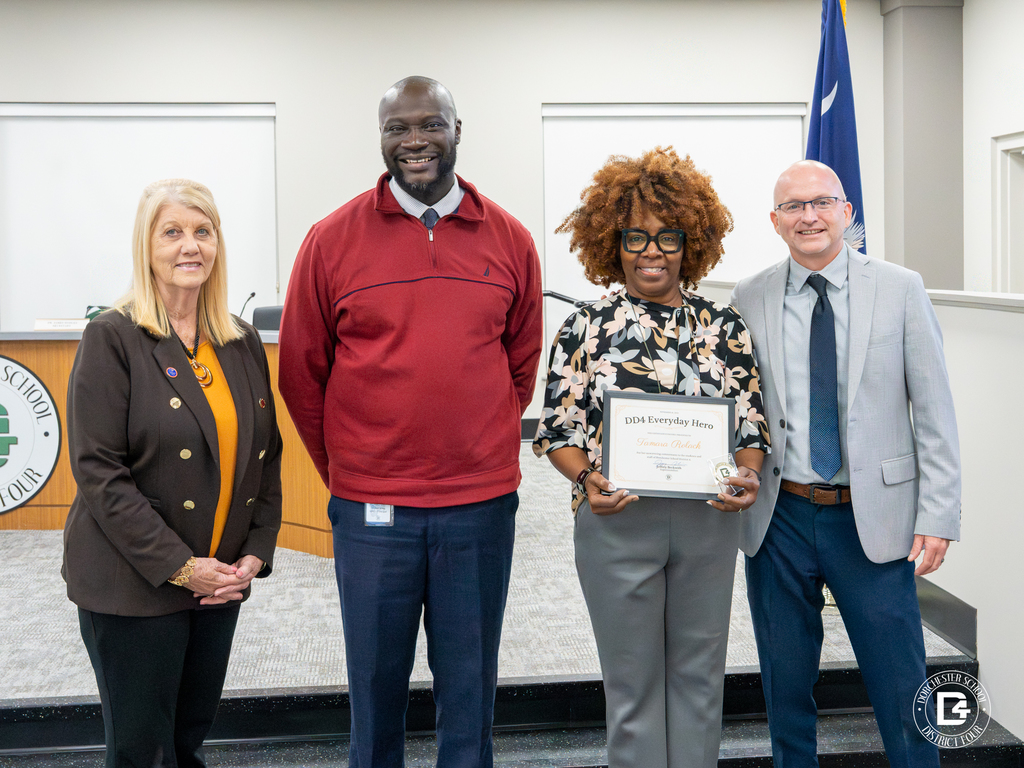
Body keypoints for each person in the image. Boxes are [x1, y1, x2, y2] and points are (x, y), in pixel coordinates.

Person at [278, 76, 542, 768]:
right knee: (373, 683)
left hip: (479, 507)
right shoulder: (330, 240)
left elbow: (520, 364)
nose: (415, 141)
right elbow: (302, 372)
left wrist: (475, 443)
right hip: (372, 510)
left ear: (459, 129)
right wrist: (353, 470)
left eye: (430, 125)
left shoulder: (509, 239)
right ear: (382, 138)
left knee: (469, 684)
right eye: (398, 128)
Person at [533, 147, 771, 768]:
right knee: (633, 689)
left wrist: (745, 472)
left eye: (668, 237)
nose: (652, 251)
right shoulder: (584, 328)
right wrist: (588, 479)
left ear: (691, 243)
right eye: (636, 237)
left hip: (708, 521)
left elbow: (750, 421)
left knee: (699, 683)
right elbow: (558, 429)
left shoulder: (725, 326)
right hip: (617, 521)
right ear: (613, 243)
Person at [730, 160, 961, 768]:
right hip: (779, 519)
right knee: (785, 685)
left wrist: (938, 514)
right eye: (793, 207)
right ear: (775, 222)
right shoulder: (749, 295)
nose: (809, 216)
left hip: (872, 518)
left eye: (822, 203)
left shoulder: (900, 287)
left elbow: (935, 410)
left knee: (902, 682)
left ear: (846, 213)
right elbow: (740, 404)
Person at [63, 179, 283, 768]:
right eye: (173, 232)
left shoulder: (239, 342)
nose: (191, 246)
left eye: (203, 231)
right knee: (143, 752)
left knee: (187, 739)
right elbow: (99, 472)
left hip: (221, 581)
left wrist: (255, 551)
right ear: (147, 246)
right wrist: (183, 568)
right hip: (138, 581)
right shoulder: (112, 337)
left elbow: (266, 457)